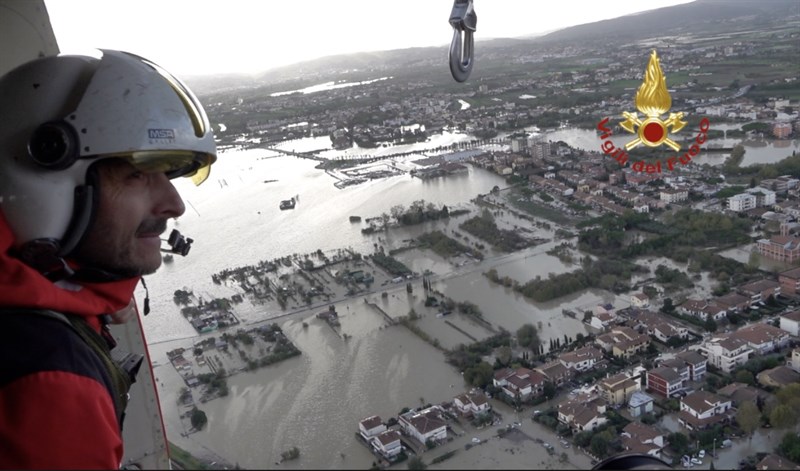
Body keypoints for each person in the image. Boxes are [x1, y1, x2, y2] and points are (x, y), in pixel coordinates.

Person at [0, 49, 216, 469]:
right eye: (136, 174)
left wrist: (94, 300)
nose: (175, 205)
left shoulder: (33, 313)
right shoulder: (52, 386)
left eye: (168, 175)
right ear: (48, 189)